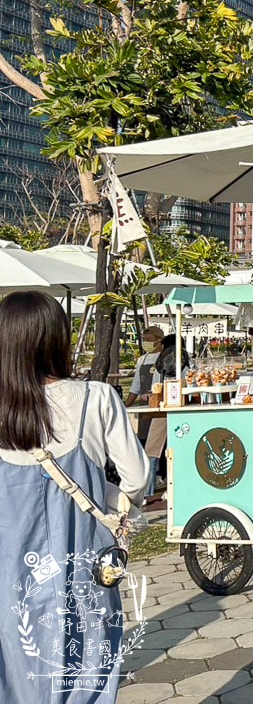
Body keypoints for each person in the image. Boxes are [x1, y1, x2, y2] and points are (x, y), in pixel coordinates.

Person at [0, 291, 149, 703]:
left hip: (9, 576)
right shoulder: (96, 398)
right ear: (58, 338)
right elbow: (137, 477)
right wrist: (116, 502)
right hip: (85, 565)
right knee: (88, 668)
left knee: (17, 676)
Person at [126, 326, 167, 500]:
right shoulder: (141, 360)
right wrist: (126, 405)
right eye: (144, 338)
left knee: (153, 449)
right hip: (143, 410)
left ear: (159, 340)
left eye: (149, 339)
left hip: (159, 409)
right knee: (141, 447)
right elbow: (136, 385)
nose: (146, 342)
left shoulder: (166, 358)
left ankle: (149, 492)